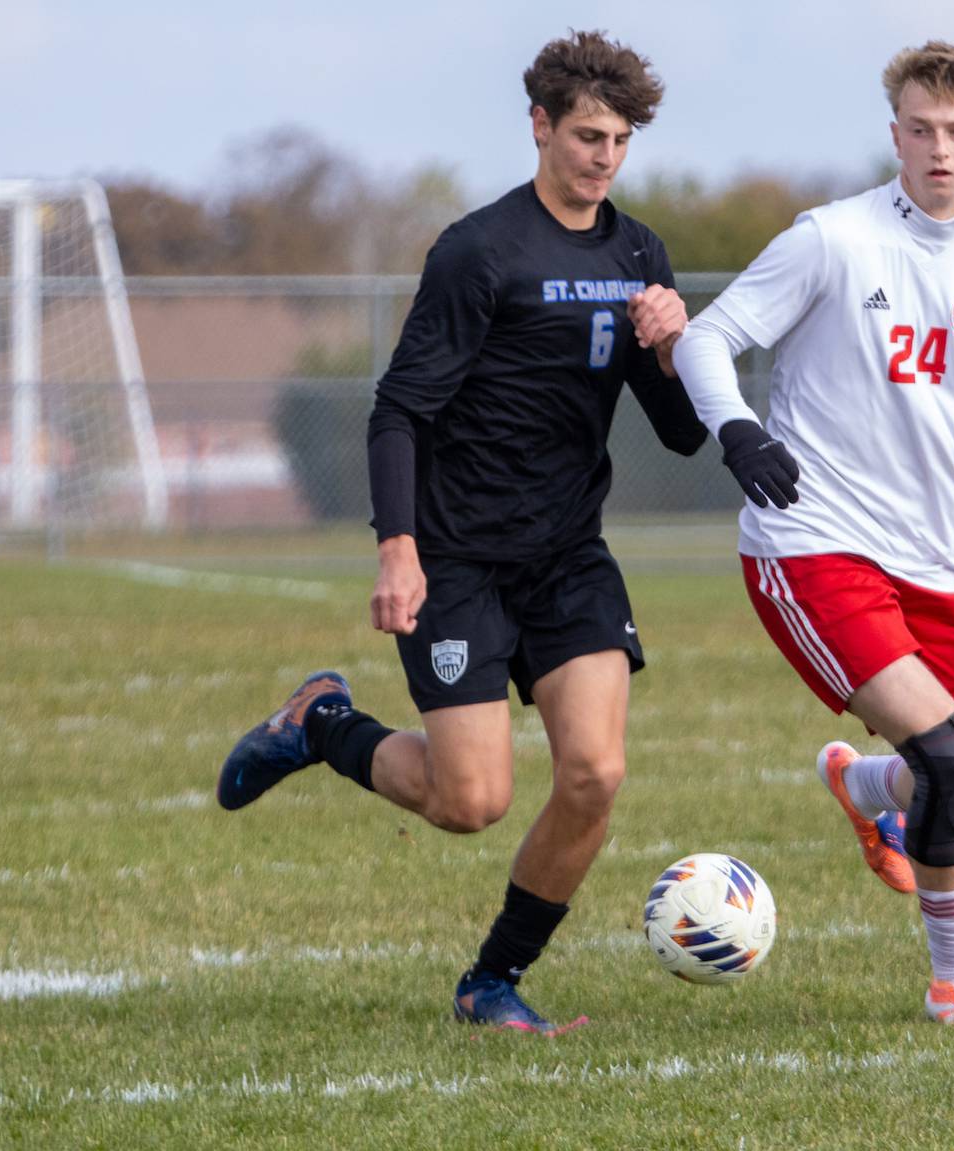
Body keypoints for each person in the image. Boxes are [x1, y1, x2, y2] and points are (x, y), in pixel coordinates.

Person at [217, 30, 706, 1036]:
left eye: (620, 140)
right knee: (469, 799)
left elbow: (681, 432)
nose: (604, 157)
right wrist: (398, 549)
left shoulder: (638, 254)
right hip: (459, 559)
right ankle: (321, 723)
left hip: (568, 557)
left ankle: (492, 981)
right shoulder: (479, 251)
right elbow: (398, 409)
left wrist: (671, 350)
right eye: (588, 136)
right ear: (540, 125)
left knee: (595, 774)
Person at [672, 41, 954, 1026]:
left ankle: (868, 785)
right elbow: (707, 337)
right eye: (920, 128)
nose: (938, 148)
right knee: (953, 763)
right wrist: (737, 430)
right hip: (814, 544)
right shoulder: (831, 240)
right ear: (895, 134)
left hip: (931, 565)